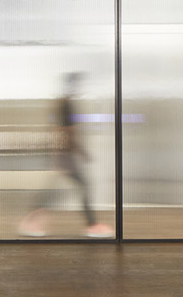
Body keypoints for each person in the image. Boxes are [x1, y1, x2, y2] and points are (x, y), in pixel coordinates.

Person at [18, 72, 114, 238]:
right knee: (79, 186)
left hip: (64, 154)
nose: (79, 89)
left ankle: (32, 218)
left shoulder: (63, 104)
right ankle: (91, 225)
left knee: (63, 188)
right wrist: (78, 152)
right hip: (66, 154)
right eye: (77, 85)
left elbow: (63, 131)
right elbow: (66, 132)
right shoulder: (66, 105)